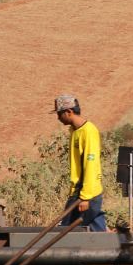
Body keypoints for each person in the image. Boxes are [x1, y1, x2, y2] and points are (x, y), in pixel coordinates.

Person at [55, 93, 107, 231]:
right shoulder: (74, 131)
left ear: (69, 112)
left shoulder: (88, 132)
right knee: (94, 229)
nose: (58, 118)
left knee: (65, 231)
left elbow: (91, 164)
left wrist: (85, 197)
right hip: (79, 192)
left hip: (87, 194)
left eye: (59, 114)